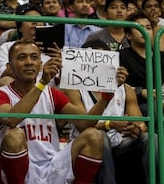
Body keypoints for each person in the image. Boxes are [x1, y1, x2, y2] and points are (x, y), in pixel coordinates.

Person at [0, 39, 104, 184]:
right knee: (14, 135)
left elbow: (85, 123)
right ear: (9, 67)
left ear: (40, 65)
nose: (29, 62)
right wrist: (42, 83)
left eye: (34, 57)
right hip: (17, 171)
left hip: (52, 166)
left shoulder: (52, 93)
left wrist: (105, 98)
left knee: (94, 135)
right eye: (22, 57)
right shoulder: (0, 94)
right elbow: (12, 120)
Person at [65, 40, 154, 184]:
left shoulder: (126, 89)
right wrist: (109, 124)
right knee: (100, 137)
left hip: (119, 144)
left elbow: (141, 124)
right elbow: (83, 125)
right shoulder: (73, 89)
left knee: (150, 138)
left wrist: (134, 127)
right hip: (84, 145)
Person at [119, 11, 164, 116]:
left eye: (148, 28)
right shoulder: (121, 56)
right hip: (135, 105)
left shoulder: (161, 57)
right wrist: (140, 91)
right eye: (140, 28)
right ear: (129, 35)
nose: (145, 31)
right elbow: (116, 85)